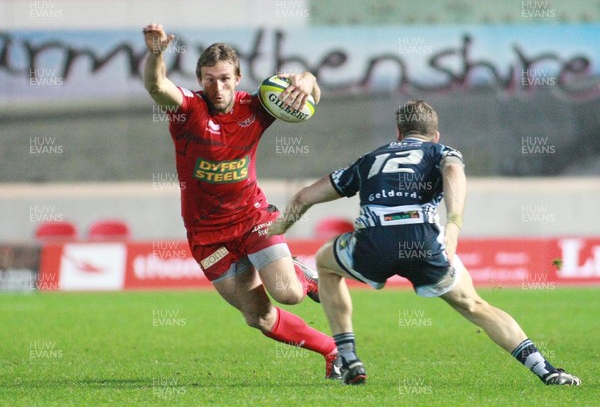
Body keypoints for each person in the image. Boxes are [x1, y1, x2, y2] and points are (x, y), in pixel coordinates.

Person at [268, 100, 581, 386]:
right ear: (435, 134)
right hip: (424, 243)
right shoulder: (440, 151)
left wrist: (276, 230)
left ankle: (348, 356)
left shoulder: (370, 159)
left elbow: (304, 197)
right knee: (476, 306)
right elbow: (454, 171)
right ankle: (547, 371)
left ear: (399, 133)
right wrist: (454, 222)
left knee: (325, 261)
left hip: (374, 242)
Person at [142, 23, 341, 379]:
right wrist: (157, 54)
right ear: (200, 79)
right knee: (259, 318)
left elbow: (309, 96)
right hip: (207, 235)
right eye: (208, 79)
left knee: (288, 294)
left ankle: (303, 277)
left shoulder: (258, 105)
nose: (216, 87)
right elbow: (157, 85)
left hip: (254, 218)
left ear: (238, 77)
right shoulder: (187, 109)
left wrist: (309, 79)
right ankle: (332, 350)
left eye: (223, 78)